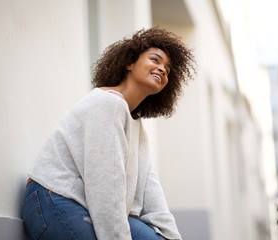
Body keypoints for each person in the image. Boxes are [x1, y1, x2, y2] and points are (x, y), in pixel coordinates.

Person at [21, 26, 195, 240]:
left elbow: (152, 193)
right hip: (53, 199)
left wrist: (171, 237)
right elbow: (105, 187)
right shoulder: (108, 104)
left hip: (86, 205)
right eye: (155, 60)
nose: (162, 69)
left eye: (167, 69)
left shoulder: (137, 129)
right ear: (129, 62)